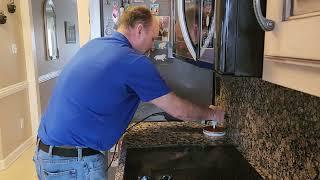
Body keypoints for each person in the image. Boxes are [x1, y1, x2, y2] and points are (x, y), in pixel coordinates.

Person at [33, 7, 225, 180]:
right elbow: (178, 110)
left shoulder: (96, 45)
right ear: (139, 29)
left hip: (48, 156)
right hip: (73, 164)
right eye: (152, 38)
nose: (151, 47)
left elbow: (103, 94)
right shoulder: (132, 61)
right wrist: (213, 114)